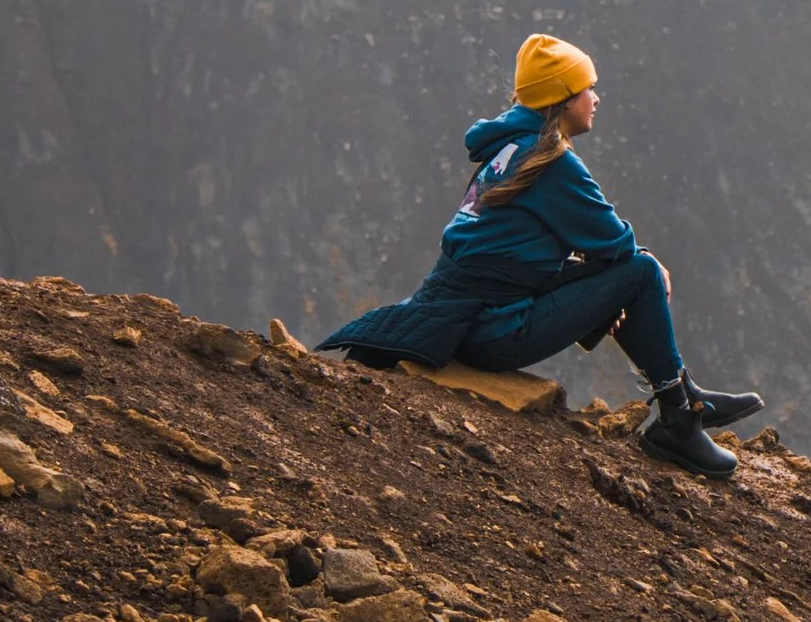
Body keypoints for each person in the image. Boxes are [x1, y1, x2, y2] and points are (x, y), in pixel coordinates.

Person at [319, 34, 760, 478]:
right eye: (587, 88)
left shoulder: (507, 149)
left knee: (622, 270)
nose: (596, 98)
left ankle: (683, 393)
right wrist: (644, 261)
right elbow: (613, 243)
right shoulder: (553, 163)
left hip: (466, 314)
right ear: (563, 100)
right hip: (495, 331)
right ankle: (678, 423)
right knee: (641, 271)